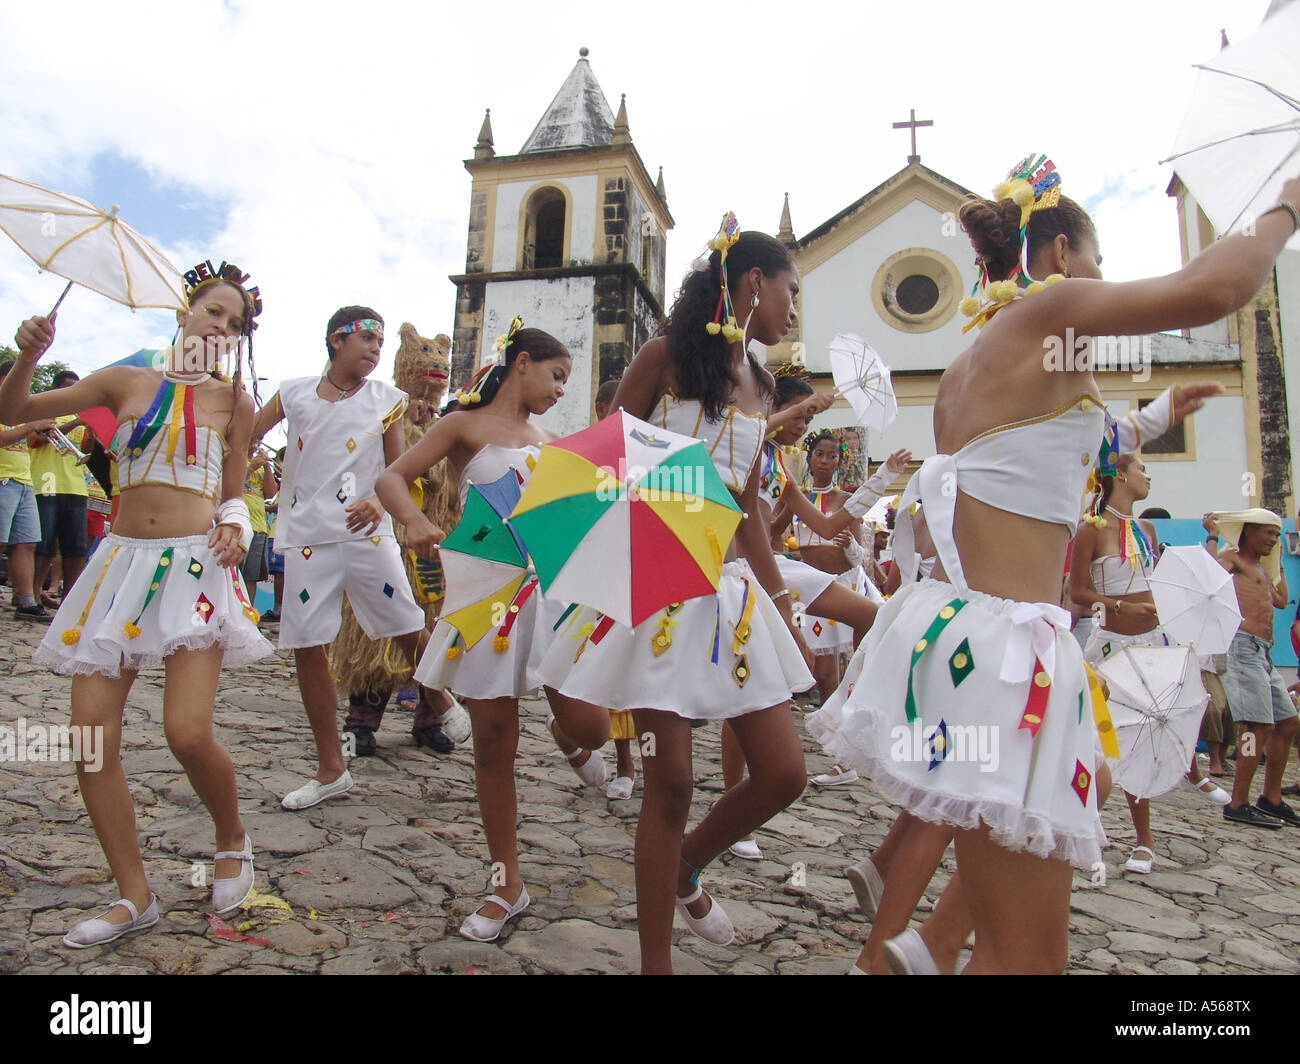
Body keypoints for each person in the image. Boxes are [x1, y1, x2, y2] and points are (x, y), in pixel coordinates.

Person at [810, 157, 1298, 972]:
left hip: (970, 642)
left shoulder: (976, 360)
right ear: (1064, 252)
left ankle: (929, 946)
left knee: (1088, 786)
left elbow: (1047, 454)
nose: (1100, 285)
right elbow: (1214, 291)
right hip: (1008, 655)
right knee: (1033, 959)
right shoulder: (1055, 311)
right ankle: (928, 947)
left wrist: (1153, 416)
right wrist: (1283, 208)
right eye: (1098, 267)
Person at [538, 224, 815, 973]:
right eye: (792, 289)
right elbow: (600, 457)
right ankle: (655, 962)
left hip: (730, 599)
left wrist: (783, 601)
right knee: (672, 779)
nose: (796, 307)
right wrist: (651, 505)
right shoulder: (664, 359)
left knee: (785, 774)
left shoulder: (761, 385)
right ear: (755, 281)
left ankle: (690, 864)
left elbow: (749, 508)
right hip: (658, 589)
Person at [3, 262, 272, 947]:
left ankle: (232, 834)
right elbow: (15, 413)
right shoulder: (124, 382)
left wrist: (236, 524)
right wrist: (27, 359)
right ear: (184, 313)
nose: (222, 328)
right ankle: (133, 895)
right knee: (91, 742)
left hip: (194, 570)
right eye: (214, 312)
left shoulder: (233, 403)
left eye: (236, 325)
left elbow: (235, 485)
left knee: (186, 732)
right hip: (119, 570)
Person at [376, 318, 610, 942]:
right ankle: (507, 880)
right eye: (558, 376)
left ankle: (566, 735)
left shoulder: (556, 441)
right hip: (485, 593)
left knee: (592, 728)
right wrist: (413, 523)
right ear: (523, 362)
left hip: (551, 596)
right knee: (493, 743)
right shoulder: (464, 426)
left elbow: (573, 524)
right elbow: (391, 477)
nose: (562, 389)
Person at [251, 306, 433, 811]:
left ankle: (437, 699)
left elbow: (400, 468)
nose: (376, 349)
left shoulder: (388, 400)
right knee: (309, 645)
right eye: (368, 339)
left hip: (367, 533)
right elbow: (246, 434)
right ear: (337, 340)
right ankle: (331, 767)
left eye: (380, 341)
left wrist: (379, 500)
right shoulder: (293, 392)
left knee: (406, 625)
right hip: (307, 535)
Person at [1069, 453, 1227, 874]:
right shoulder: (1091, 529)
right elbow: (1078, 592)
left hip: (1150, 642)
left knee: (1149, 733)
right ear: (1120, 474)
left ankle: (1147, 837)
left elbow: (1154, 582)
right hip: (1111, 647)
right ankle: (1085, 827)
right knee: (1101, 739)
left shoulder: (1146, 529)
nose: (1148, 477)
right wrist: (1118, 604)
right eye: (1143, 470)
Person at [331, 325, 468, 758]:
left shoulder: (449, 424)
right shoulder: (382, 416)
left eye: (442, 361)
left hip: (438, 545)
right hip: (388, 541)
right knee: (378, 635)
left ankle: (429, 719)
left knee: (436, 632)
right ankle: (362, 724)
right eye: (426, 357)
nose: (436, 366)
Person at [1206, 508, 1300, 827]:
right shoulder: (1231, 557)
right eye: (1269, 533)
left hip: (1264, 653)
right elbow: (1208, 577)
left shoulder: (1259, 566)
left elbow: (1282, 601)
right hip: (1242, 648)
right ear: (1248, 531)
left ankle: (1271, 798)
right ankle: (1238, 802)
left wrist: (1277, 564)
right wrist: (1213, 535)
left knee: (1287, 722)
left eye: (1276, 534)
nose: (1274, 539)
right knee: (1254, 726)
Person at [0, 359, 56, 621]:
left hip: (24, 481)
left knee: (26, 543)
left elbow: (32, 442)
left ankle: (25, 601)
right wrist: (29, 426)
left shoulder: (21, 411)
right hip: (3, 479)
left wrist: (40, 430)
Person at [29, 369, 89, 609]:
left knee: (75, 548)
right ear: (55, 388)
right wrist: (76, 421)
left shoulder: (79, 416)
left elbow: (85, 448)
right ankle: (31, 593)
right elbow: (36, 439)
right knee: (43, 544)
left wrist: (90, 430)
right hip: (47, 481)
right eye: (67, 387)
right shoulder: (42, 411)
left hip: (76, 486)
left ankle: (69, 602)